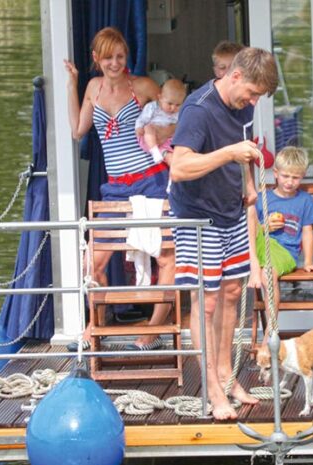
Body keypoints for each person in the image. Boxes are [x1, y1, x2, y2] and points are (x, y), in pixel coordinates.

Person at [168, 47, 279, 420]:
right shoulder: (198, 109)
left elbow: (242, 155)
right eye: (251, 93)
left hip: (231, 210)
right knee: (207, 300)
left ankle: (227, 375)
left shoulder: (242, 107)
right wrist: (229, 153)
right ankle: (212, 389)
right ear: (234, 76)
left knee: (232, 293)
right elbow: (179, 167)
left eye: (258, 98)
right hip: (197, 215)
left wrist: (246, 182)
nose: (253, 102)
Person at [62, 27, 174, 351]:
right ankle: (97, 324)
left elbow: (179, 116)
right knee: (91, 265)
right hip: (115, 188)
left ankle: (154, 329)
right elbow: (77, 130)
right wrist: (73, 83)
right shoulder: (93, 88)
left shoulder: (143, 86)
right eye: (108, 57)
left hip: (151, 180)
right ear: (97, 59)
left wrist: (162, 136)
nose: (115, 63)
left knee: (166, 257)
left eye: (120, 56)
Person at [249, 146, 313, 316]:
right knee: (249, 210)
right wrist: (263, 226)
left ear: (302, 177)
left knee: (267, 276)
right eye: (285, 176)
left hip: (285, 252)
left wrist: (308, 262)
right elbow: (250, 232)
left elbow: (307, 233)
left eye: (295, 178)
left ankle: (271, 333)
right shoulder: (262, 199)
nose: (289, 182)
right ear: (275, 173)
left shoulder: (304, 200)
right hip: (259, 248)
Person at [135, 78, 187, 164]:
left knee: (174, 158)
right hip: (149, 140)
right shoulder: (152, 107)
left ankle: (172, 170)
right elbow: (142, 119)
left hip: (168, 141)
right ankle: (155, 151)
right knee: (148, 127)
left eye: (178, 105)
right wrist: (138, 128)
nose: (173, 108)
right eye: (169, 103)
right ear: (160, 98)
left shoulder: (179, 112)